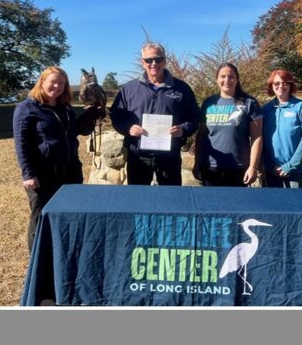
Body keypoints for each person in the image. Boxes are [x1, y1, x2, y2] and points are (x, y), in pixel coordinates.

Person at [13, 66, 103, 251]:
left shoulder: (65, 107)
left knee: (70, 214)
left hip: (70, 170)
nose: (57, 86)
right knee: (41, 217)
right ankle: (37, 261)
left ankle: (64, 253)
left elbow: (76, 131)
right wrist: (28, 174)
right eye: (53, 82)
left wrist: (91, 114)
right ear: (42, 82)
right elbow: (22, 144)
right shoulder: (27, 108)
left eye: (61, 83)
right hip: (43, 174)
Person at [110, 43, 199, 186]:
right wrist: (128, 127)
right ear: (142, 62)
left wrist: (183, 129)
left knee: (170, 200)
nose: (153, 64)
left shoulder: (182, 89)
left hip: (169, 156)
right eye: (149, 60)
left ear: (165, 60)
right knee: (137, 200)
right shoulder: (129, 89)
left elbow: (194, 118)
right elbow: (116, 116)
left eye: (158, 59)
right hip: (138, 156)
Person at [194, 63, 262, 187]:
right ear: (217, 79)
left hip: (237, 168)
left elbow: (257, 137)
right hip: (210, 168)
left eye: (231, 77)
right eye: (223, 76)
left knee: (236, 206)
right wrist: (197, 162)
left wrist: (253, 167)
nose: (227, 80)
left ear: (237, 79)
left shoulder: (249, 103)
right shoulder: (209, 102)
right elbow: (201, 135)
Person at [261, 69, 302, 188]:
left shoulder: (301, 107)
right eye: (277, 83)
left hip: (297, 170)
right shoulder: (266, 109)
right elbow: (262, 139)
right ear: (271, 86)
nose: (281, 86)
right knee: (276, 205)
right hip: (273, 170)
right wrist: (270, 165)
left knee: (296, 205)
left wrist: (290, 165)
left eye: (285, 83)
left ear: (291, 85)